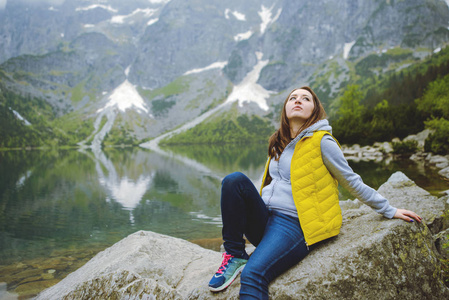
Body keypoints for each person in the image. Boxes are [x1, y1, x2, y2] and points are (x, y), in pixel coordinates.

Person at [207, 86, 422, 299]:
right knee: (234, 181)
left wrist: (388, 209)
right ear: (286, 109)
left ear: (315, 109)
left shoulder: (322, 141)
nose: (298, 100)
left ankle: (250, 267)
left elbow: (351, 181)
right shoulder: (279, 142)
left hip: (294, 224)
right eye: (293, 98)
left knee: (253, 274)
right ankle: (235, 255)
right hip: (267, 219)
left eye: (305, 99)